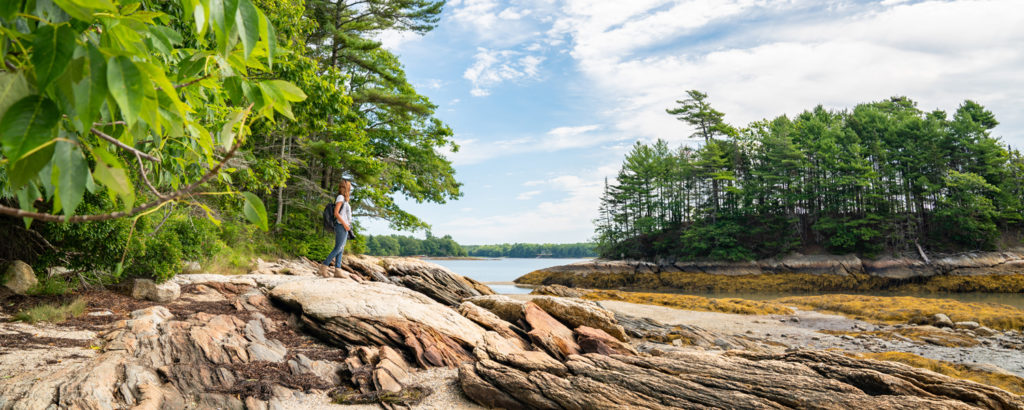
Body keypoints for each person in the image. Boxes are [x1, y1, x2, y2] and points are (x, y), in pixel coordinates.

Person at [320, 179, 352, 277]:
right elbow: (336, 213)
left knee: (341, 249)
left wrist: (348, 225)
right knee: (338, 248)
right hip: (341, 226)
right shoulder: (340, 197)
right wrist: (345, 224)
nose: (350, 190)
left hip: (345, 227)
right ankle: (323, 266)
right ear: (345, 188)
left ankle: (338, 270)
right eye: (349, 188)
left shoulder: (344, 199)